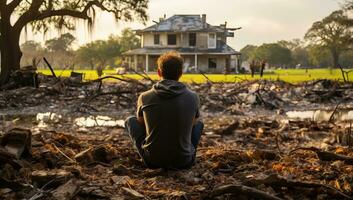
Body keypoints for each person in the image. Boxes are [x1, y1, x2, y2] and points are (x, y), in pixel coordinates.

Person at [125, 51, 203, 169]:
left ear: (158, 72)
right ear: (181, 73)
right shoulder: (193, 97)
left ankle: (153, 150)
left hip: (153, 161)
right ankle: (184, 152)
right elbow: (192, 123)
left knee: (130, 121)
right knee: (199, 125)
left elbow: (141, 123)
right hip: (184, 162)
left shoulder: (145, 97)